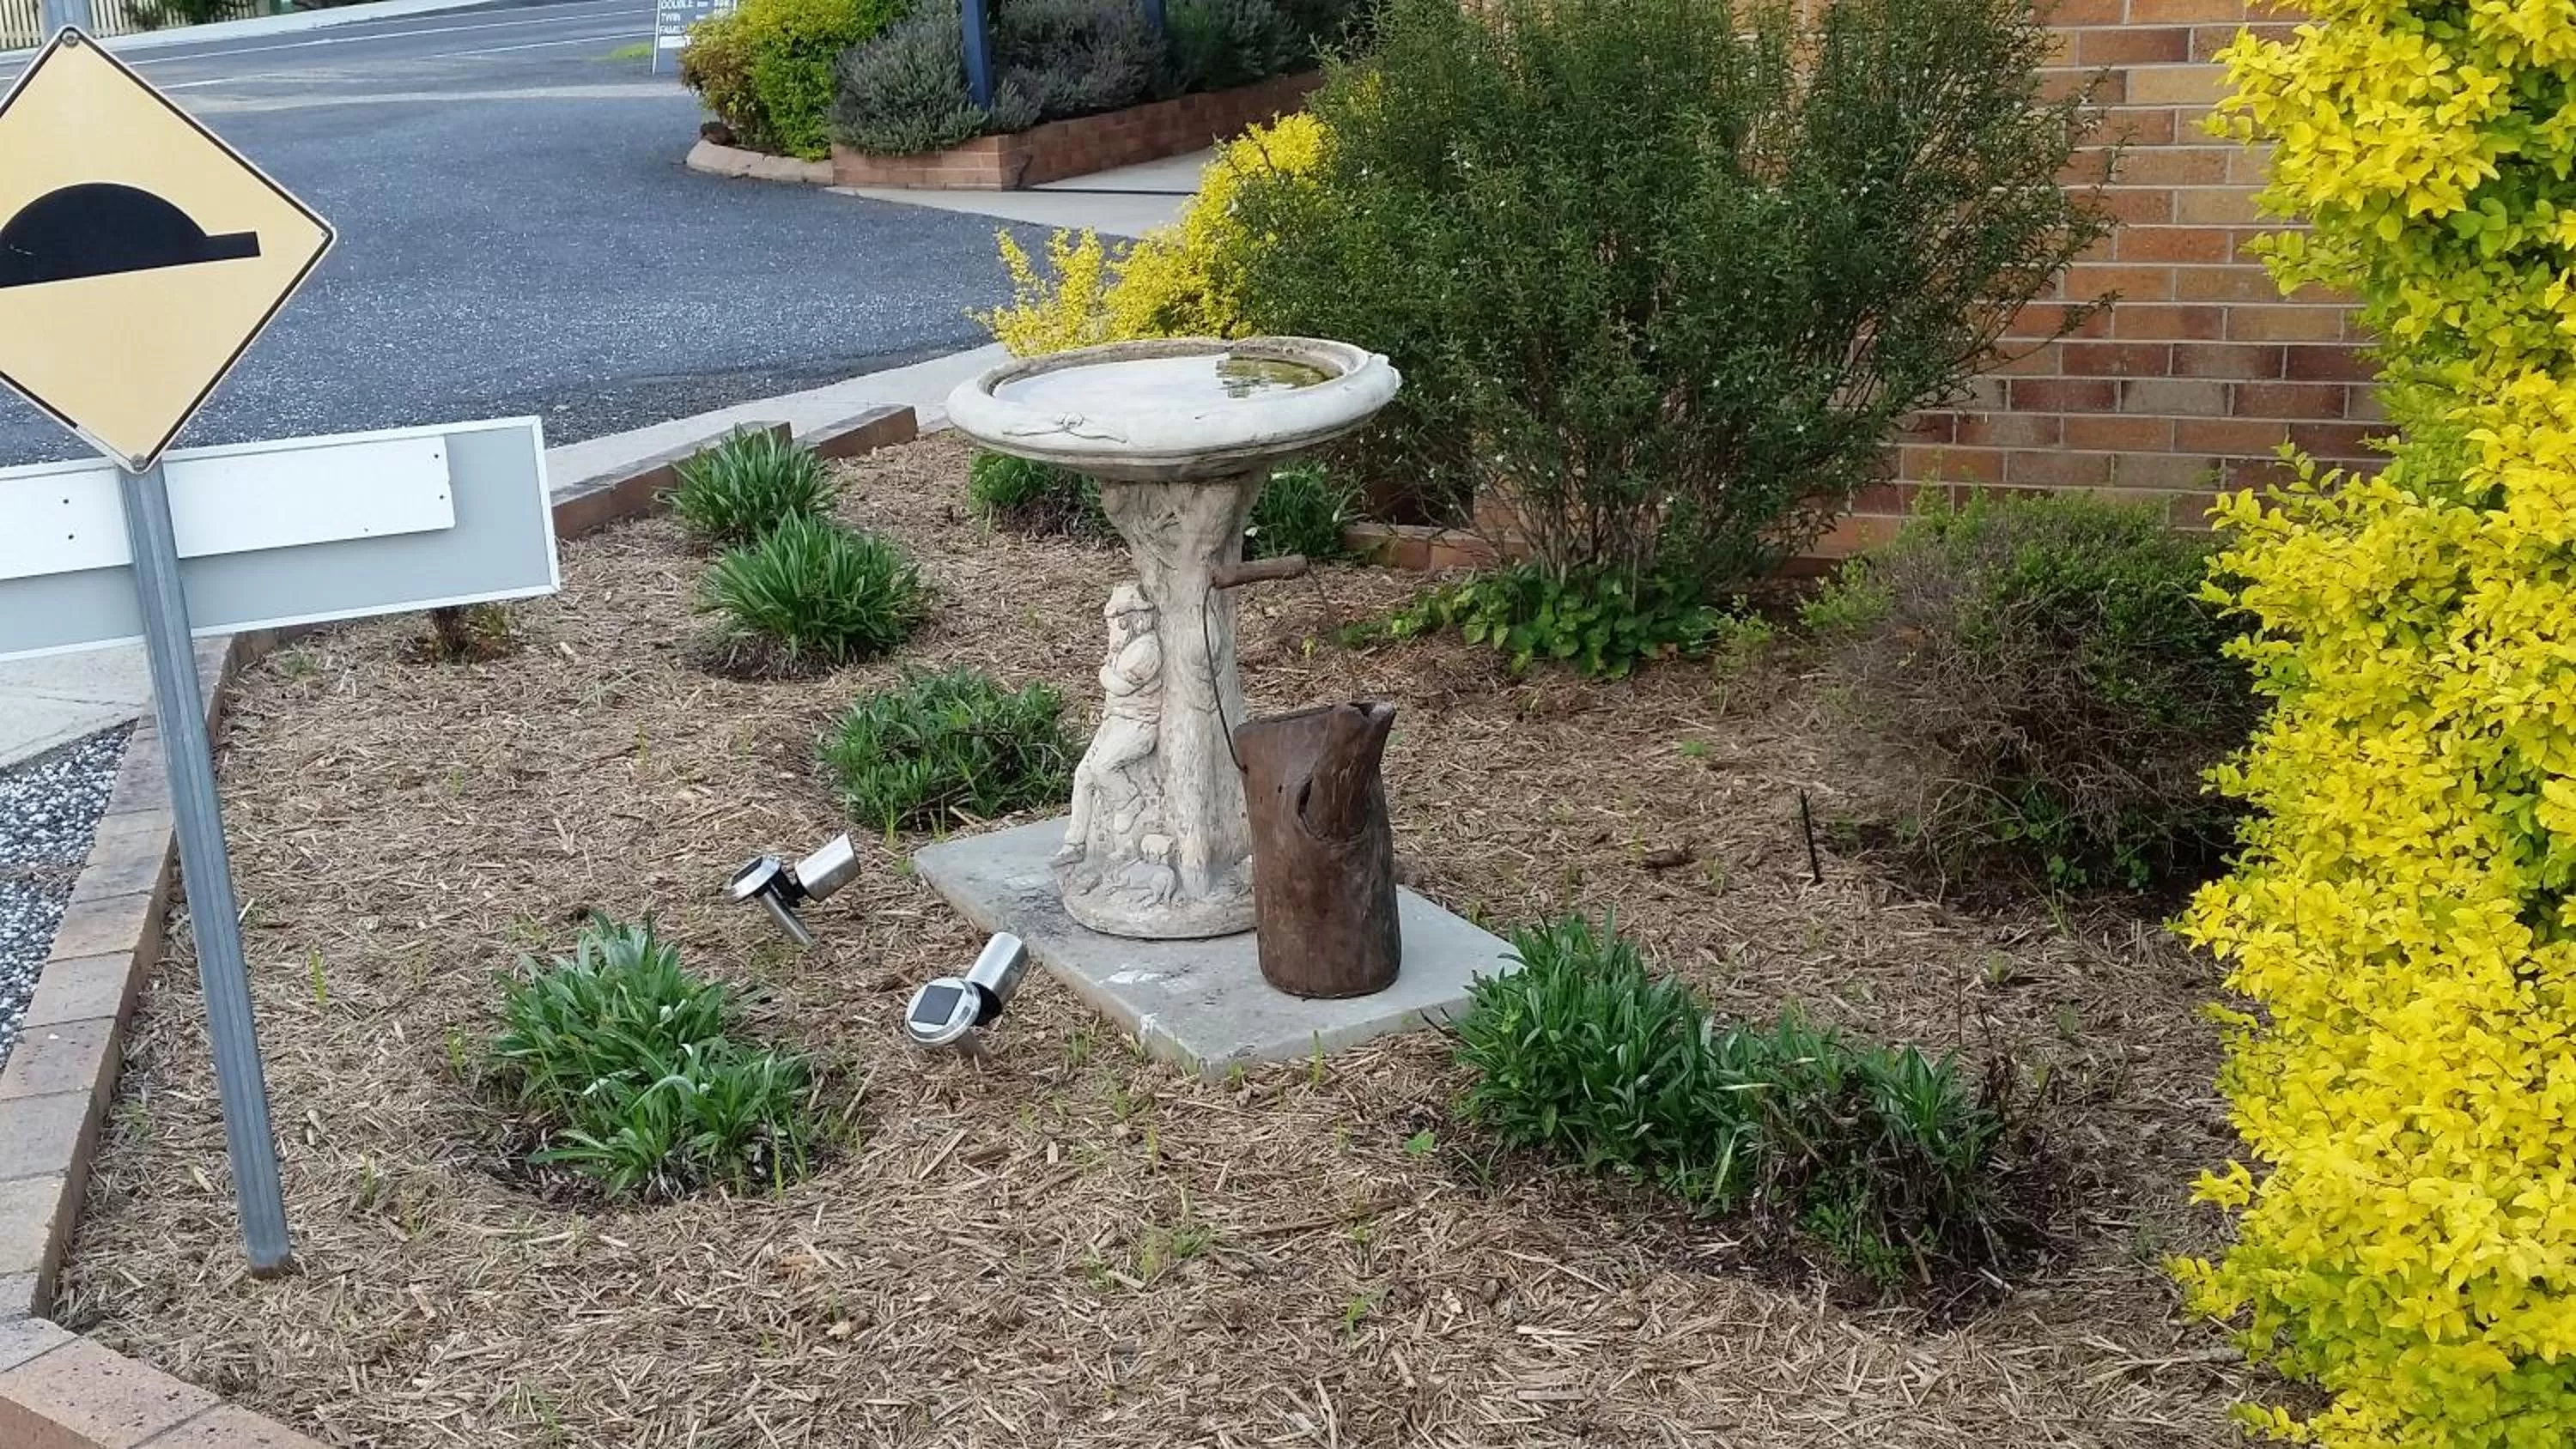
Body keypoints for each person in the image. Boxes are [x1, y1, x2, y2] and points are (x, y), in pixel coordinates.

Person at [1057, 584, 1162, 865]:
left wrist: (1105, 673)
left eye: (1115, 622)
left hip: (1139, 725)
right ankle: (1074, 842)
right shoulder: (1121, 648)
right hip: (1115, 722)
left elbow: (1120, 685)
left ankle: (1129, 802)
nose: (1112, 628)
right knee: (1083, 775)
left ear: (1130, 620)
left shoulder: (1146, 648)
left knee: (1104, 766)